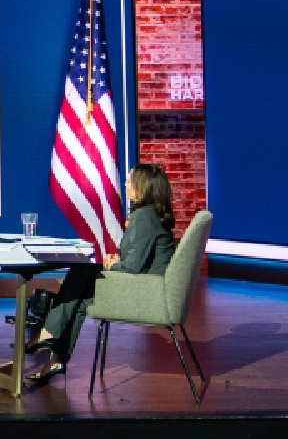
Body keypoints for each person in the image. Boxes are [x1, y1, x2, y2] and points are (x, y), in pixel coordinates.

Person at [26, 163, 178, 387]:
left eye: (129, 180)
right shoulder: (152, 215)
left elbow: (131, 268)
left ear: (142, 187)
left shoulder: (143, 216)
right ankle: (56, 357)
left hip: (147, 295)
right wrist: (116, 262)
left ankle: (48, 335)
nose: (125, 184)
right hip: (150, 288)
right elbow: (138, 261)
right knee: (79, 294)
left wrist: (112, 265)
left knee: (82, 271)